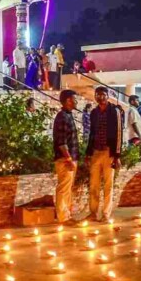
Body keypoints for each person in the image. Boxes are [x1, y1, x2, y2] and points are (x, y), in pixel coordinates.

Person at [85, 86, 125, 222]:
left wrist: (117, 155)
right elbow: (92, 133)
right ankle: (93, 212)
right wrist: (88, 152)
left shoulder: (114, 111)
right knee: (94, 184)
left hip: (109, 152)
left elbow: (119, 133)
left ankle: (106, 213)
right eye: (97, 95)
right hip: (96, 151)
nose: (100, 97)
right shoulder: (94, 113)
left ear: (108, 96)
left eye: (103, 95)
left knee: (108, 184)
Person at [52, 90, 80, 224]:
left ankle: (67, 215)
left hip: (70, 158)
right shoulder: (63, 117)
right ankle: (63, 217)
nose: (76, 101)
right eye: (75, 99)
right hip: (65, 159)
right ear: (68, 100)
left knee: (67, 187)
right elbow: (62, 142)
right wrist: (68, 159)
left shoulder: (68, 115)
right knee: (63, 187)